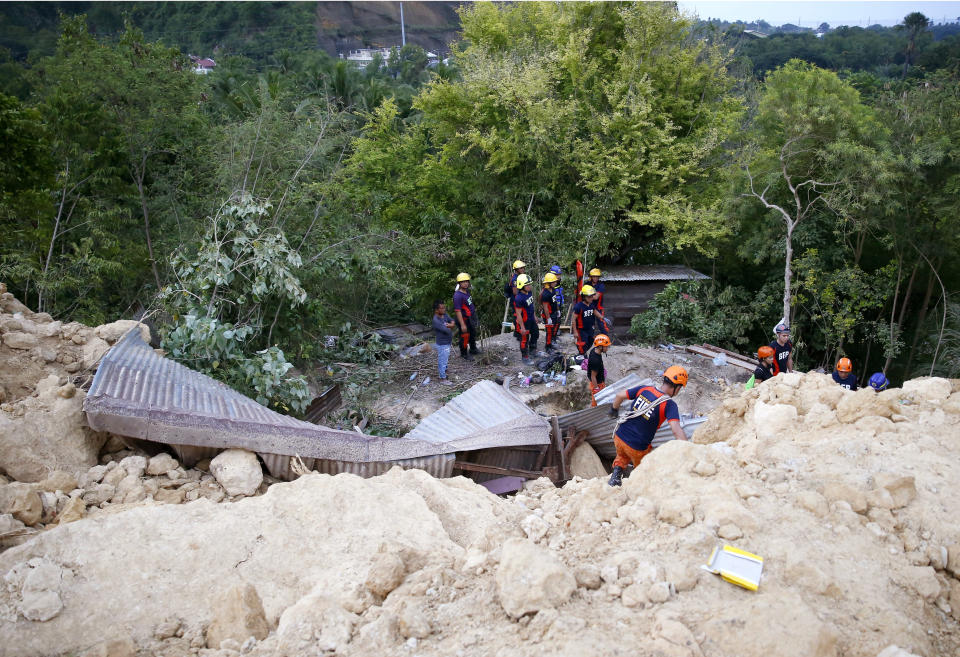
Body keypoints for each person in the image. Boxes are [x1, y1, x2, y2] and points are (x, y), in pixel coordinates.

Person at [606, 366, 689, 486]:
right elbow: (676, 430)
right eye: (680, 388)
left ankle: (616, 476)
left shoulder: (645, 389)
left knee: (623, 454)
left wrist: (614, 410)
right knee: (646, 466)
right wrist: (689, 448)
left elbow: (619, 395)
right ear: (676, 387)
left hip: (619, 437)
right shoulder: (669, 405)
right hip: (637, 447)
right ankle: (637, 485)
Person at [513, 274, 540, 365]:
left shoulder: (529, 293)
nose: (530, 286)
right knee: (524, 340)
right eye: (527, 285)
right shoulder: (519, 298)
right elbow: (518, 314)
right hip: (524, 322)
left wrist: (535, 316)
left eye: (529, 284)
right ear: (521, 285)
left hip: (531, 319)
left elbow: (531, 306)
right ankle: (525, 357)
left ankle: (533, 351)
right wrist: (522, 327)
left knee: (536, 333)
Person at [453, 272, 480, 361]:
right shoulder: (457, 296)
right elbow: (458, 311)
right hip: (463, 319)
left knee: (472, 334)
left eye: (467, 281)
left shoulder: (467, 292)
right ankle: (464, 353)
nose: (466, 283)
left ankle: (473, 349)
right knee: (465, 336)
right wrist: (462, 325)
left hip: (470, 317)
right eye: (463, 282)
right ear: (459, 283)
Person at [431, 300, 455, 385]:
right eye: (442, 308)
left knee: (445, 358)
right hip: (442, 343)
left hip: (447, 342)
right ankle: (442, 378)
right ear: (436, 310)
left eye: (444, 307)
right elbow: (447, 331)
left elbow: (452, 321)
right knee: (442, 360)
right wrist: (450, 326)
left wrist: (450, 325)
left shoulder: (444, 315)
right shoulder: (436, 320)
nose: (444, 309)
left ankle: (445, 370)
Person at [572, 284, 597, 356]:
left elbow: (595, 311)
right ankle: (582, 355)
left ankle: (583, 353)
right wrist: (575, 332)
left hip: (590, 329)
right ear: (584, 297)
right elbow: (573, 320)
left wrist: (602, 318)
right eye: (589, 296)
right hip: (581, 330)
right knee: (582, 344)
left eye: (592, 296)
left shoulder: (591, 305)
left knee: (590, 341)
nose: (591, 298)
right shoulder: (578, 307)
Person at [540, 272, 561, 353]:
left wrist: (558, 310)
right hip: (548, 314)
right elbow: (545, 307)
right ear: (548, 283)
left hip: (554, 312)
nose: (556, 283)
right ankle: (548, 347)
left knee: (554, 328)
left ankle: (552, 342)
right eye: (554, 282)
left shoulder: (553, 290)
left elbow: (555, 302)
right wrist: (548, 318)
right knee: (549, 331)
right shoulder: (545, 294)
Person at [588, 334, 610, 407]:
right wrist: (596, 389)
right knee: (597, 402)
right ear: (600, 346)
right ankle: (594, 414)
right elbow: (593, 376)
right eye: (606, 346)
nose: (607, 348)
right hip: (597, 383)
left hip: (598, 380)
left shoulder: (594, 351)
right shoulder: (595, 360)